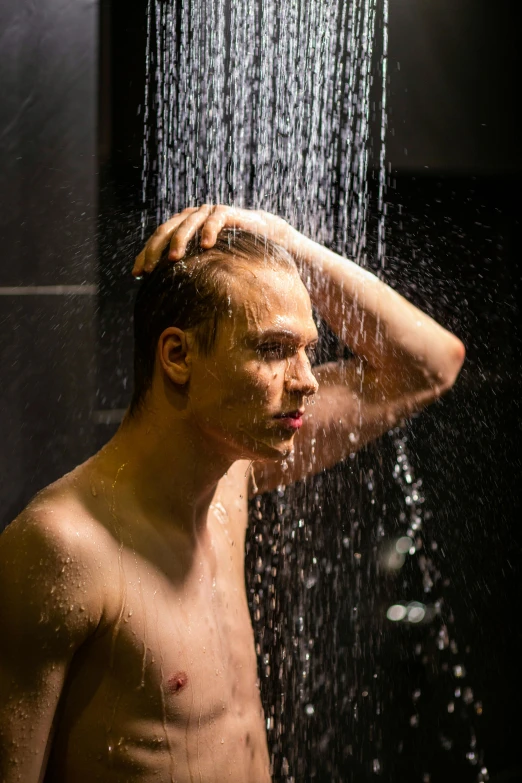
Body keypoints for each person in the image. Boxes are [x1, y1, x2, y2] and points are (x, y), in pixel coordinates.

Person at [0, 205, 465, 783]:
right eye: (273, 350)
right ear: (178, 356)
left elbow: (431, 365)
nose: (308, 379)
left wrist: (284, 241)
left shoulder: (231, 478)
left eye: (307, 349)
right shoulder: (62, 548)